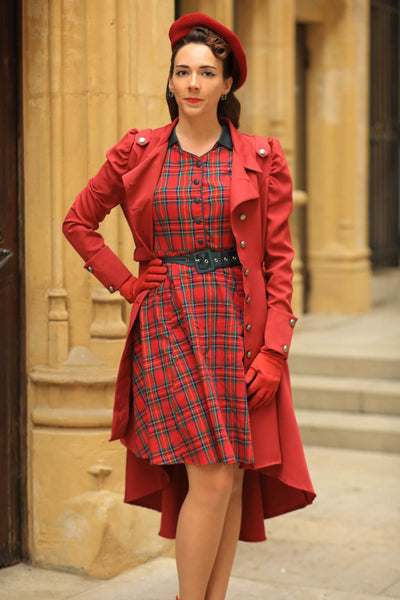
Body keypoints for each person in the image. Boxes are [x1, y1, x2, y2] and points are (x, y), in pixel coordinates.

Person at [63, 12, 316, 600]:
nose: (194, 83)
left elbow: (279, 264)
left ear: (228, 85)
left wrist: (275, 350)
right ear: (171, 81)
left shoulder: (260, 157)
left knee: (227, 477)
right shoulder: (138, 150)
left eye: (207, 72)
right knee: (208, 476)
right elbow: (79, 222)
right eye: (183, 72)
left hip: (238, 328)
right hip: (169, 324)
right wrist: (126, 285)